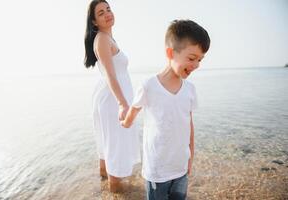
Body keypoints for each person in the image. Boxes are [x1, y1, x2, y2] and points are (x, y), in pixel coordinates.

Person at [121, 19, 210, 199]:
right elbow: (134, 109)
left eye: (200, 60)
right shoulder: (149, 86)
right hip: (157, 171)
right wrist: (125, 122)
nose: (196, 65)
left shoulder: (190, 90)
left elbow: (189, 126)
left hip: (180, 168)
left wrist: (190, 157)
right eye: (192, 58)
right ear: (170, 53)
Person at [84, 0, 140, 193]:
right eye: (101, 13)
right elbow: (110, 74)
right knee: (115, 148)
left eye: (108, 9)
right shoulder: (101, 39)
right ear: (94, 21)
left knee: (107, 147)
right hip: (112, 101)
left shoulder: (107, 38)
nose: (107, 13)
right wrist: (122, 103)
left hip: (109, 98)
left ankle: (104, 188)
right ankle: (116, 193)